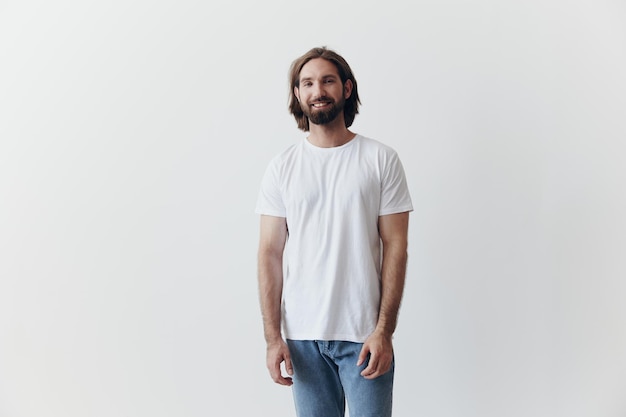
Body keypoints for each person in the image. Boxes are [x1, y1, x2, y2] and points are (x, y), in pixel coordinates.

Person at [255, 46, 413, 417]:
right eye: (307, 83)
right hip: (302, 339)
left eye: (327, 80)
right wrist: (272, 338)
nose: (318, 90)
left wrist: (384, 331)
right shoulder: (282, 168)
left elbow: (396, 247)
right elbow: (269, 254)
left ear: (346, 88)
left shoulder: (380, 159)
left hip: (363, 335)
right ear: (298, 94)